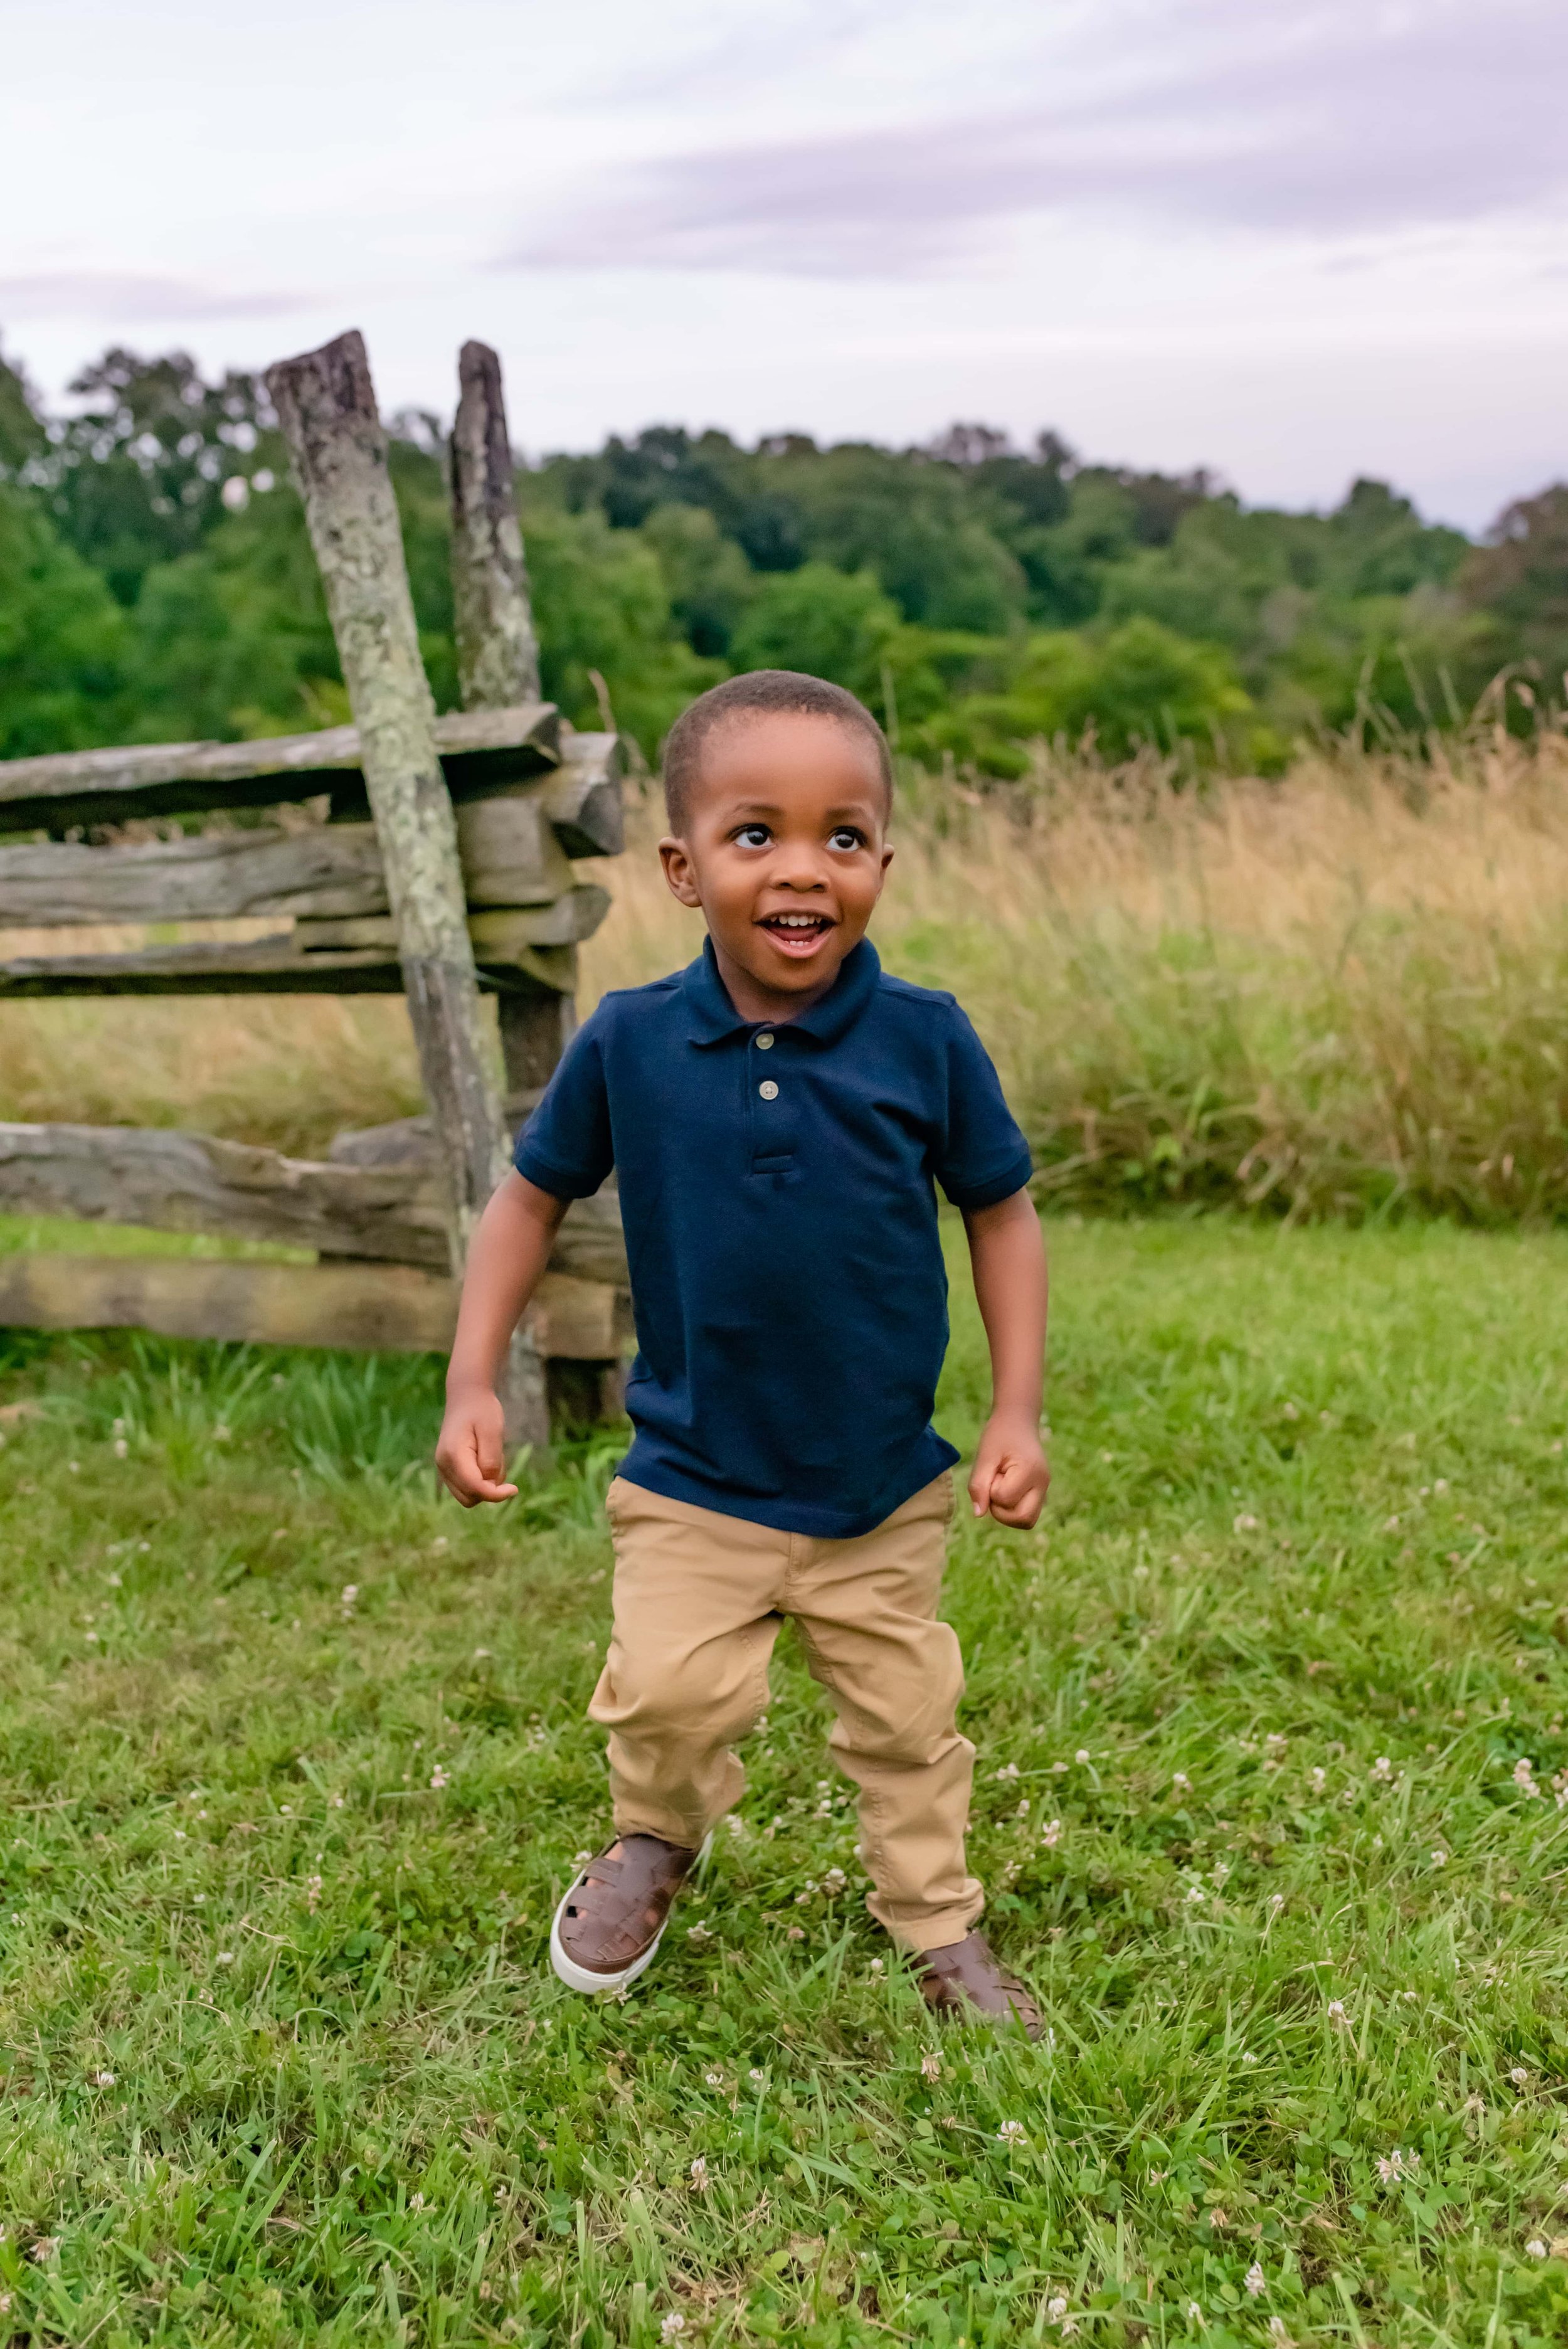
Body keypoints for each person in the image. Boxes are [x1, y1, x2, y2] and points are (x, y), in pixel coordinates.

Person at [436, 669, 1051, 2034]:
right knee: (664, 1690)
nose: (803, 870)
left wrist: (1016, 1409)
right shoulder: (632, 1041)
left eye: (843, 837)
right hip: (694, 1473)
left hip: (877, 1483)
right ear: (681, 864)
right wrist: (474, 1374)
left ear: (881, 861)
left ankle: (936, 1923)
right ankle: (652, 1838)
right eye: (754, 833)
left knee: (905, 1721)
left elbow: (998, 1212)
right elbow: (528, 1196)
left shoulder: (923, 1039)